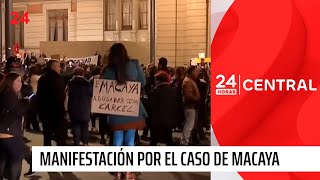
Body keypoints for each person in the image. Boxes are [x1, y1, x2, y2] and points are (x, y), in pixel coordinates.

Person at [101, 43, 146, 180]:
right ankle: (128, 170)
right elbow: (143, 82)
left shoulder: (108, 69)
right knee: (130, 141)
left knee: (117, 140)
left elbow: (102, 87)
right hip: (132, 108)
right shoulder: (134, 64)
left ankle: (118, 170)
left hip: (116, 109)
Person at [0, 72, 29, 180]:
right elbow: (17, 111)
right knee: (16, 161)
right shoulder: (9, 95)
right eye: (17, 81)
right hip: (10, 135)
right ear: (10, 82)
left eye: (21, 81)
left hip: (3, 135)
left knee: (2, 161)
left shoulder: (4, 93)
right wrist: (26, 103)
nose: (20, 84)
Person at [37, 60, 67, 146]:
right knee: (60, 137)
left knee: (47, 137)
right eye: (58, 66)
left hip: (45, 113)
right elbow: (60, 97)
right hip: (58, 113)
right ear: (53, 67)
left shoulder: (42, 79)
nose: (60, 68)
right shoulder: (59, 79)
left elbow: (40, 96)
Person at [149, 71, 178, 146]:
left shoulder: (154, 91)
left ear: (158, 80)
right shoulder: (173, 90)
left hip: (156, 120)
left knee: (153, 141)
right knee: (168, 140)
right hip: (169, 120)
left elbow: (151, 106)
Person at [66, 68, 92, 146]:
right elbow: (91, 95)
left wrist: (66, 109)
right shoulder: (88, 83)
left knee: (76, 126)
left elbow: (67, 97)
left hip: (74, 108)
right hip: (85, 108)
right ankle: (85, 143)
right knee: (85, 126)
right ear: (83, 73)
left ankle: (76, 143)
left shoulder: (70, 83)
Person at [180, 66, 201, 146]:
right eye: (196, 71)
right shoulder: (188, 82)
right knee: (189, 124)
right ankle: (184, 141)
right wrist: (197, 98)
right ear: (191, 72)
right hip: (189, 106)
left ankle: (186, 140)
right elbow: (188, 96)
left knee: (190, 124)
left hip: (191, 106)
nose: (197, 73)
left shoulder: (189, 80)